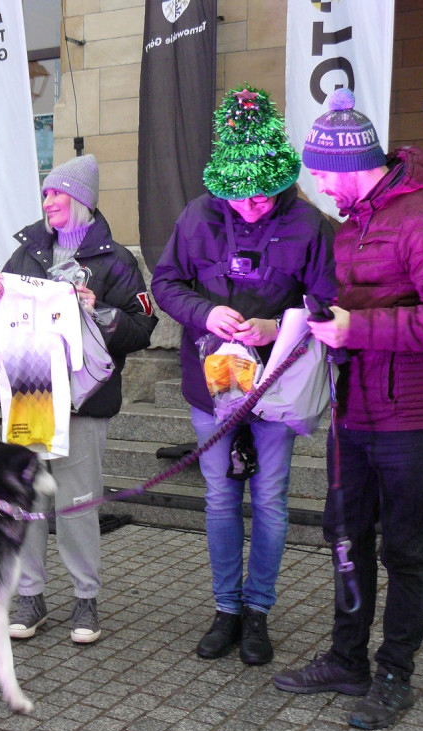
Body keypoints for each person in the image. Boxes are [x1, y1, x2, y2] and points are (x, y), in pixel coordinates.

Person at [273, 89, 423, 730]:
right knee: (345, 535)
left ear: (350, 163)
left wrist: (356, 329)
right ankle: (346, 658)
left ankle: (394, 673)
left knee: (405, 547)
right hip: (353, 408)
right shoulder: (356, 218)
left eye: (323, 175)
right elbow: (350, 301)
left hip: (411, 415)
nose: (322, 190)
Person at [151, 87, 336, 665]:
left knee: (272, 500)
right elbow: (164, 284)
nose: (252, 205)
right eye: (240, 197)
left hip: (278, 382)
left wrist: (275, 324)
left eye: (263, 196)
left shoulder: (310, 223)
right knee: (219, 499)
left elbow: (329, 301)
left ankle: (258, 611)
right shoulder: (197, 216)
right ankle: (226, 609)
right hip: (212, 383)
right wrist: (205, 312)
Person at [0, 154, 157, 645]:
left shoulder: (116, 260)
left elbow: (143, 328)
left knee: (78, 502)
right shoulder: (26, 252)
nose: (48, 201)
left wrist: (99, 311)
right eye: (45, 194)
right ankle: (31, 597)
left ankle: (86, 599)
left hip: (85, 400)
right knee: (27, 498)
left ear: (81, 198)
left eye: (56, 192)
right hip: (29, 394)